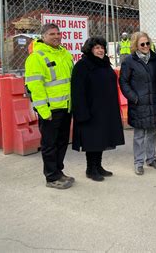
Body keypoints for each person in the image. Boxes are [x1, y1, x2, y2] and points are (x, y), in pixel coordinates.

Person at [25, 23, 74, 189]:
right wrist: (44, 112)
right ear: (43, 36)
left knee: (61, 142)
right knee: (49, 145)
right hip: (50, 111)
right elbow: (35, 87)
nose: (56, 36)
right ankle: (51, 177)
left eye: (58, 33)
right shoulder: (36, 57)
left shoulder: (64, 54)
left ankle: (59, 171)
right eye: (52, 34)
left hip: (66, 108)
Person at [71, 37, 125, 181]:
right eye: (96, 48)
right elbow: (77, 91)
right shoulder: (82, 65)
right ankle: (90, 169)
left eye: (102, 47)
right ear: (90, 50)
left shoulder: (104, 63)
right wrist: (81, 112)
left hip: (105, 110)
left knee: (101, 139)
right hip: (91, 110)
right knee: (92, 140)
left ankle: (98, 166)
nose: (100, 50)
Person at [119, 31, 156, 176]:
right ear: (136, 45)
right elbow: (124, 82)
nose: (145, 46)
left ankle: (151, 159)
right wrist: (134, 98)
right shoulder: (129, 61)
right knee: (139, 135)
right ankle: (138, 162)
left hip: (153, 102)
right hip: (138, 103)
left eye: (147, 43)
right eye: (142, 44)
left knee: (152, 132)